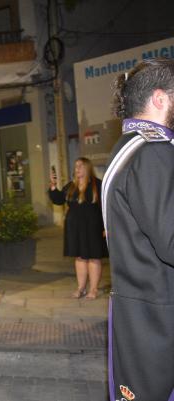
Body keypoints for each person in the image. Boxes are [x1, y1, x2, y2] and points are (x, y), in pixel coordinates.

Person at [102, 58, 174, 401]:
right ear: (160, 99)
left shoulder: (127, 148)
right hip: (160, 323)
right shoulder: (154, 153)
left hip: (139, 315)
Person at [48, 157, 107, 299]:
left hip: (93, 226)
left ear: (87, 168)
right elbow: (58, 200)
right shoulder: (70, 186)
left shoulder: (97, 185)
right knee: (80, 257)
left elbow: (105, 207)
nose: (77, 169)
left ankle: (93, 289)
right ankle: (81, 288)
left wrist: (106, 226)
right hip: (74, 227)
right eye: (76, 166)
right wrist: (53, 186)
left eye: (80, 166)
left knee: (94, 257)